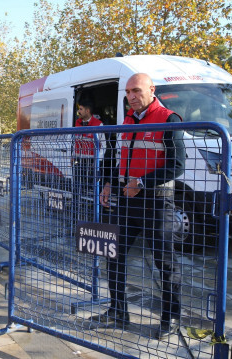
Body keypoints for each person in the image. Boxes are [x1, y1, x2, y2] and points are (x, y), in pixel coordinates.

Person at [93, 73, 185, 340]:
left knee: (165, 264)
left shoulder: (169, 119)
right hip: (126, 201)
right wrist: (109, 183)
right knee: (114, 256)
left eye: (136, 91)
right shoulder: (127, 120)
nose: (131, 96)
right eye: (128, 92)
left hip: (157, 203)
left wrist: (142, 183)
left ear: (151, 90)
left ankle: (171, 318)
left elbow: (178, 165)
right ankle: (118, 311)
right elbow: (116, 155)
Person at [73, 98, 104, 220]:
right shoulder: (77, 123)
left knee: (95, 189)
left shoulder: (98, 124)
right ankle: (76, 217)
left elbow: (104, 146)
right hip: (79, 161)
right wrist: (72, 156)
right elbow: (74, 141)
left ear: (87, 110)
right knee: (76, 189)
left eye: (80, 109)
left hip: (92, 162)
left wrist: (96, 161)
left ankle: (98, 217)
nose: (78, 111)